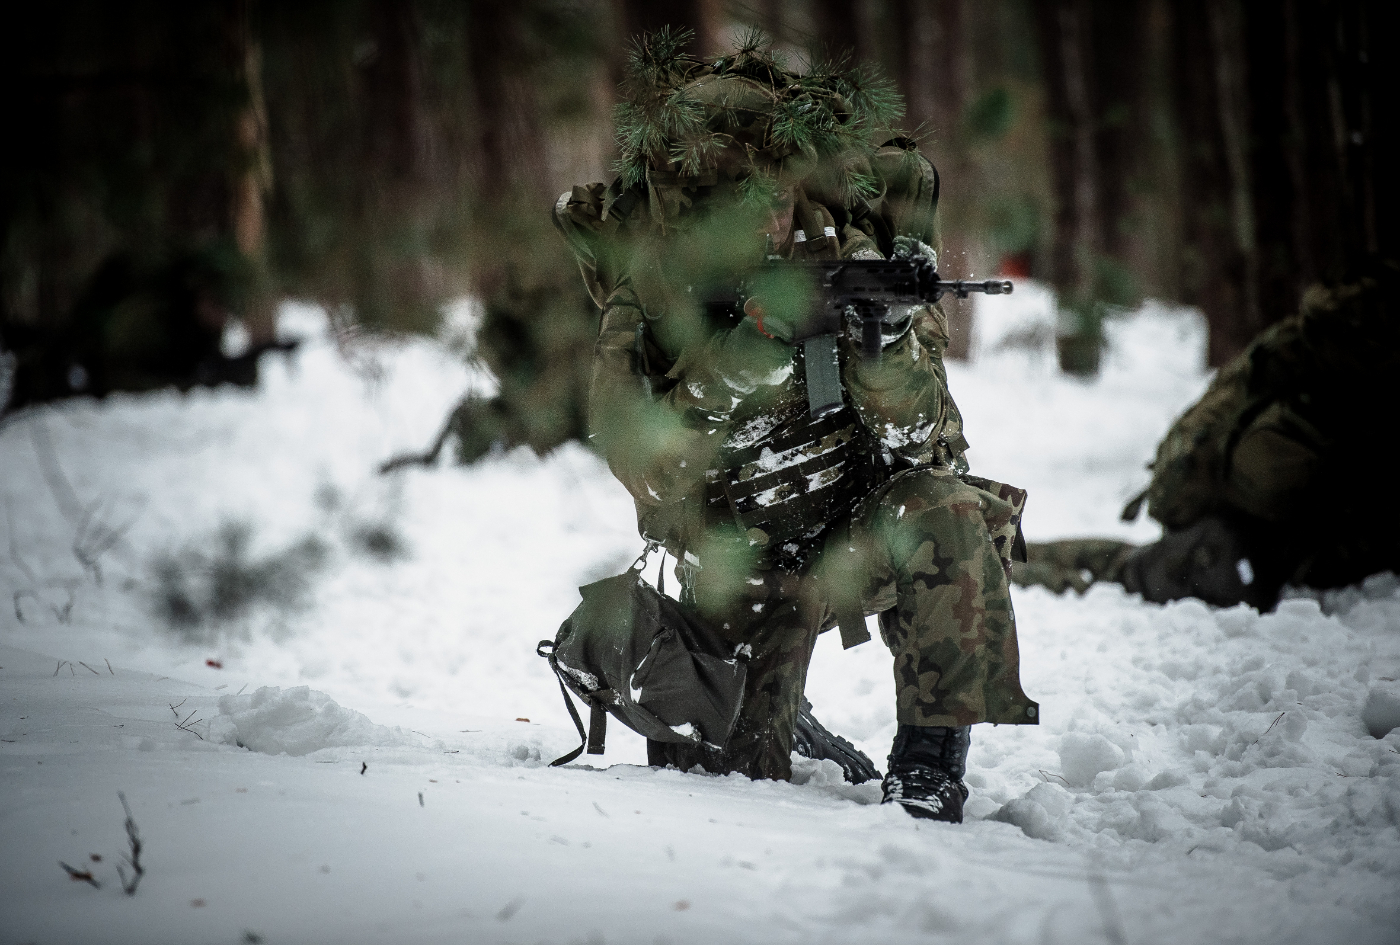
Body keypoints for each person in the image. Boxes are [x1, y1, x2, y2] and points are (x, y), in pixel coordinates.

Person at [557, 31, 1038, 823]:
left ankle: (927, 763)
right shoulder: (652, 292)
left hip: (859, 530)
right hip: (739, 553)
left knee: (946, 511)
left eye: (769, 200)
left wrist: (882, 355)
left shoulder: (848, 253)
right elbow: (642, 464)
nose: (757, 226)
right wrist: (750, 350)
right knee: (731, 780)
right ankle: (788, 719)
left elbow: (927, 446)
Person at [1013, 260, 1400, 610]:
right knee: (1128, 574)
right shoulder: (1327, 362)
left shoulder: (1314, 353)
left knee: (1125, 568)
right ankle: (991, 563)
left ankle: (997, 556)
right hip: (1233, 525)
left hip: (1245, 517)